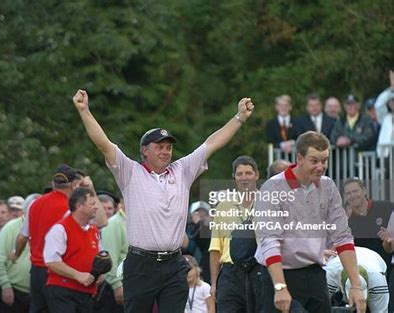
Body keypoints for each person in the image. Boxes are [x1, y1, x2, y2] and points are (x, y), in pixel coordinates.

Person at [73, 88, 254, 313]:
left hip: (174, 263)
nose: (166, 152)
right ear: (144, 151)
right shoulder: (130, 172)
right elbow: (104, 144)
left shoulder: (182, 170)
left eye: (169, 147)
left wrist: (239, 118)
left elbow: (212, 143)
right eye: (159, 147)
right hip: (141, 264)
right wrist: (84, 111)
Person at [254, 131, 366, 313]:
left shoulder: (328, 186)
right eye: (314, 161)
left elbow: (343, 236)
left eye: (324, 160)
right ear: (299, 158)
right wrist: (280, 287)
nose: (321, 167)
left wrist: (356, 285)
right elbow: (269, 241)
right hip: (280, 273)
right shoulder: (272, 188)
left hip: (315, 273)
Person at [12, 164, 84, 313]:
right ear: (74, 184)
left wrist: (15, 254)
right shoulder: (72, 208)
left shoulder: (34, 204)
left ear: (53, 183)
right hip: (59, 272)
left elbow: (22, 237)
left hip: (37, 272)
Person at [209, 155, 261, 313]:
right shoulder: (223, 206)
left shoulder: (268, 203)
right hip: (230, 274)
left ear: (256, 175)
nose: (244, 178)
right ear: (234, 178)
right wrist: (213, 283)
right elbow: (215, 248)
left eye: (248, 173)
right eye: (239, 174)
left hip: (258, 270)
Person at [44, 187, 101, 313]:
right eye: (92, 203)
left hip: (86, 292)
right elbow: (51, 261)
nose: (96, 207)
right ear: (79, 206)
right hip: (63, 290)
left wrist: (100, 272)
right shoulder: (60, 229)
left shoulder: (94, 230)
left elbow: (97, 256)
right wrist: (78, 275)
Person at [0, 196, 37, 313]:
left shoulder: (45, 227)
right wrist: (5, 285)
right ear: (26, 209)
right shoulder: (10, 227)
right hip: (13, 290)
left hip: (36, 293)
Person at [326, 247, 389, 312]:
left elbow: (381, 311)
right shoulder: (329, 276)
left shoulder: (378, 282)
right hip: (335, 266)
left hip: (375, 261)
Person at [101, 198, 128, 312]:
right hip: (118, 286)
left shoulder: (138, 222)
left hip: (135, 284)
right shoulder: (113, 224)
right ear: (122, 201)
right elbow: (110, 258)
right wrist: (116, 285)